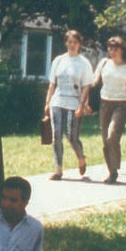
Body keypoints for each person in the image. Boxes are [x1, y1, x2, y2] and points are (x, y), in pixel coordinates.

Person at [44, 30, 94, 181]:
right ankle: (58, 170)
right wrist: (47, 102)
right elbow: (52, 84)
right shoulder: (59, 60)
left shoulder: (84, 63)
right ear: (66, 43)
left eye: (75, 42)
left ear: (79, 44)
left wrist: (82, 105)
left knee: (71, 136)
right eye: (70, 42)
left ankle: (81, 158)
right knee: (56, 135)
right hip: (57, 100)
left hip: (74, 101)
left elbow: (86, 87)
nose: (72, 45)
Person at [92, 36, 126, 184]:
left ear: (122, 50)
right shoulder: (104, 63)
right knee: (105, 139)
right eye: (110, 48)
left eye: (115, 48)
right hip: (105, 103)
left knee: (112, 135)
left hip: (122, 105)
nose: (112, 51)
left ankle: (115, 167)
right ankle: (112, 172)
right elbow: (93, 82)